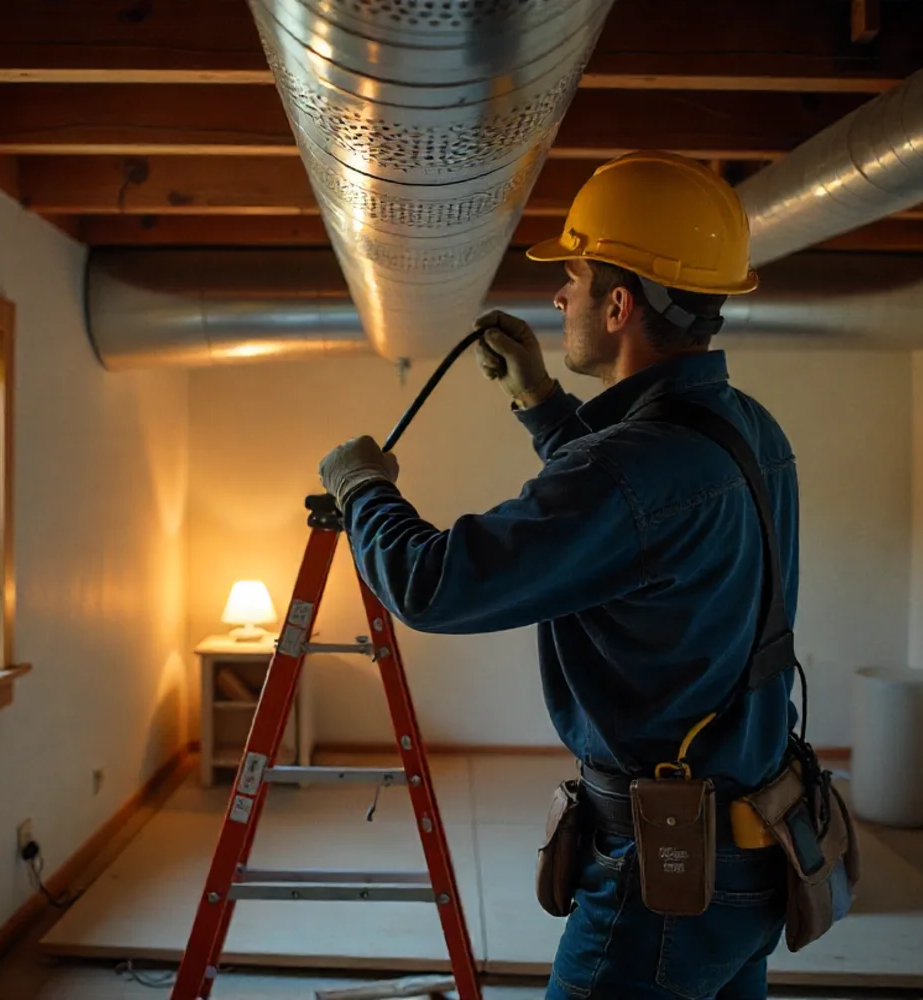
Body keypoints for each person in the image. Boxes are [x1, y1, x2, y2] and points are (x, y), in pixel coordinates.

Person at [317, 151, 799, 1000]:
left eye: (572, 277)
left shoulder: (632, 469)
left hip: (664, 878)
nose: (558, 297)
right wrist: (542, 403)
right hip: (757, 847)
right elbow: (633, 522)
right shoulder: (745, 428)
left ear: (619, 306)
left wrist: (362, 489)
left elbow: (434, 586)